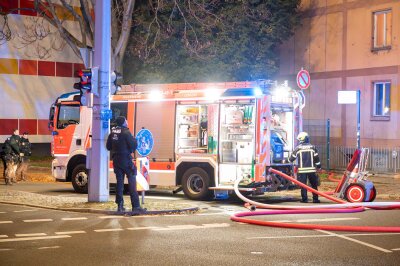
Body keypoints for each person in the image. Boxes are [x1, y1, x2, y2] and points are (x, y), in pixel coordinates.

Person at [106, 116, 146, 213]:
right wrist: (135, 141)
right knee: (132, 182)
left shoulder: (112, 133)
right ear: (123, 122)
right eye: (126, 120)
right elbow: (133, 145)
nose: (127, 122)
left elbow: (108, 146)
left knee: (119, 183)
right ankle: (136, 206)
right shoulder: (126, 132)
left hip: (116, 160)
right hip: (126, 160)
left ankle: (120, 205)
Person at [288, 132, 321, 203]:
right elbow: (317, 159)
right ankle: (315, 199)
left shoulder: (298, 148)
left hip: (302, 171)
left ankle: (304, 199)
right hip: (312, 170)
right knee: (314, 185)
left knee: (303, 185)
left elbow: (291, 159)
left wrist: (286, 160)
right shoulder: (313, 147)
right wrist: (319, 166)